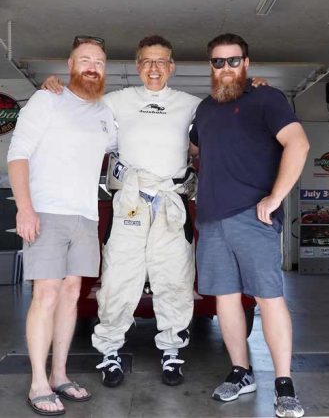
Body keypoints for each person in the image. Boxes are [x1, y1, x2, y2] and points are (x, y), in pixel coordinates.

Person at [42, 35, 266, 389]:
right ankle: (110, 351)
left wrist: (254, 88)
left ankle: (172, 351)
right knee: (118, 277)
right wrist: (54, 86)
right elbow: (78, 101)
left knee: (174, 279)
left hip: (171, 203)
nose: (154, 68)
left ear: (172, 67)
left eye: (161, 62)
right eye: (147, 61)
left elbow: (230, 103)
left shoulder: (192, 104)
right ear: (137, 66)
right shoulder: (116, 101)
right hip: (129, 200)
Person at [189, 33, 309, 418]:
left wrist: (275, 198)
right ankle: (241, 371)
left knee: (268, 297)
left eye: (234, 61)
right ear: (211, 67)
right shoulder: (204, 110)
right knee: (224, 298)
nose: (226, 68)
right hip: (211, 219)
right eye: (218, 62)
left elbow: (299, 144)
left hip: (251, 216)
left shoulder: (267, 99)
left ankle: (284, 383)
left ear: (247, 63)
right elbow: (196, 151)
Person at [8, 36, 117, 416]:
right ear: (71, 65)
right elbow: (17, 154)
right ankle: (38, 381)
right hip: (47, 212)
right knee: (47, 295)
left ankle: (59, 374)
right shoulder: (47, 99)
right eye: (85, 60)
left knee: (72, 294)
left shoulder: (106, 111)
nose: (92, 66)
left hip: (86, 216)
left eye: (100, 62)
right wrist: (25, 208)